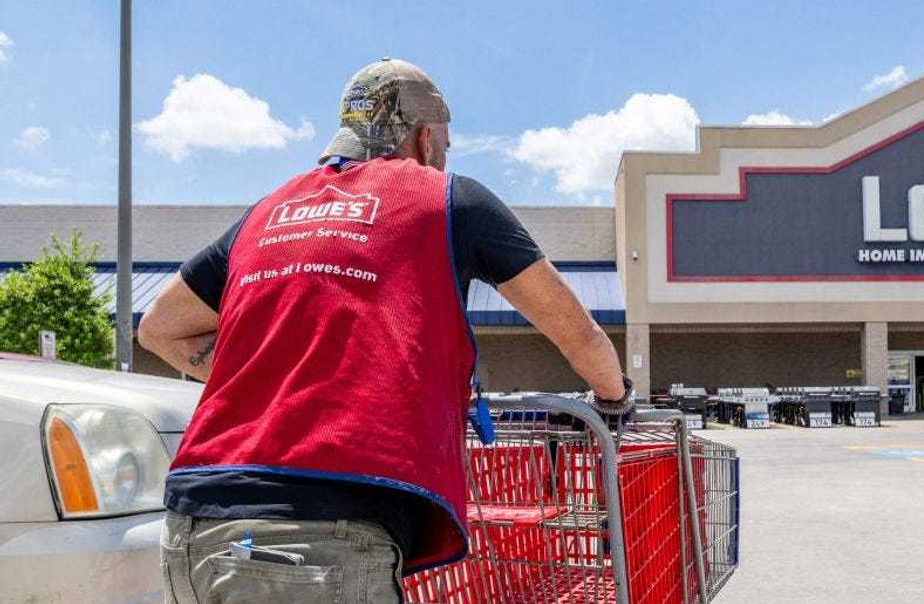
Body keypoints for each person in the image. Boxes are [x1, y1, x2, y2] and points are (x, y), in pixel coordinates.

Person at [139, 57, 634, 603]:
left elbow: (160, 330)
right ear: (425, 138)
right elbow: (578, 332)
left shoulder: (267, 213)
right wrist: (613, 398)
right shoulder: (450, 200)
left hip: (193, 524)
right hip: (316, 535)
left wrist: (269, 376)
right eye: (444, 142)